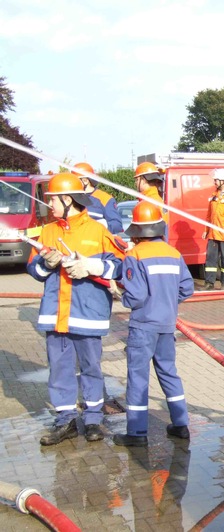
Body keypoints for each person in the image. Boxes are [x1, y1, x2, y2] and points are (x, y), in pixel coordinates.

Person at [26, 172, 124, 445]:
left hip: (87, 314)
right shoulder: (48, 231)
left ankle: (93, 419)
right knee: (59, 368)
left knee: (91, 367)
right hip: (56, 314)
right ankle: (65, 420)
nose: (50, 206)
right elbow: (33, 269)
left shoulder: (97, 231)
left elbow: (120, 265)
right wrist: (46, 264)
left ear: (68, 200)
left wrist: (94, 266)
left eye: (54, 200)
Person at [112, 201, 194, 447]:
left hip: (144, 325)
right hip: (167, 325)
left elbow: (135, 296)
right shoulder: (174, 253)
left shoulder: (134, 255)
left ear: (137, 231)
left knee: (138, 377)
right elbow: (187, 288)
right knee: (169, 373)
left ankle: (136, 433)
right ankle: (181, 425)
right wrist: (168, 301)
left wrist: (120, 295)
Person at [72, 161, 123, 234]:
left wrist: (99, 226)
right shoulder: (72, 199)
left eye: (75, 181)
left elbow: (117, 226)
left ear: (85, 181)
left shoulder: (105, 199)